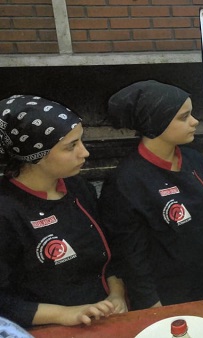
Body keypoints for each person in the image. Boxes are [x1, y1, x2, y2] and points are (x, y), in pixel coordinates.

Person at [98, 80, 203, 310]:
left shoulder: (194, 160)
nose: (195, 122)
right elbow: (131, 257)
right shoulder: (126, 182)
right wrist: (152, 306)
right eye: (184, 117)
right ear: (157, 123)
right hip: (166, 297)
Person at [0, 95, 127, 328]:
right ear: (35, 155)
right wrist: (64, 314)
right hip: (45, 329)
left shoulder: (79, 188)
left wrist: (116, 295)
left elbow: (111, 254)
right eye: (71, 146)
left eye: (81, 141)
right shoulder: (6, 211)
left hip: (101, 319)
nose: (85, 153)